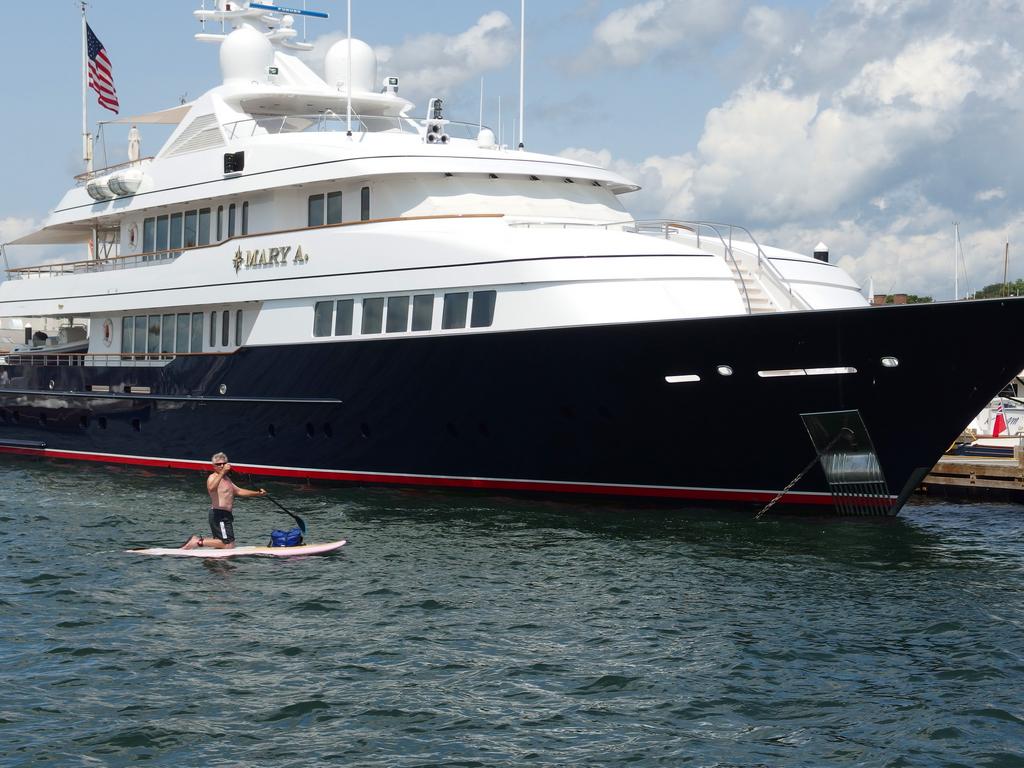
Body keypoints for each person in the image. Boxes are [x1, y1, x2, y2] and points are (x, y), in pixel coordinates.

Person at [182, 452, 266, 549]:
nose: (222, 466)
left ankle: (214, 561)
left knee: (224, 544)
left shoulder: (227, 479)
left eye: (224, 463)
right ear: (213, 466)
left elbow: (238, 491)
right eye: (219, 464)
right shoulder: (212, 477)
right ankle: (196, 541)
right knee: (228, 544)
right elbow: (211, 488)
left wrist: (257, 493)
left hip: (226, 515)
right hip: (219, 515)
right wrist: (222, 472)